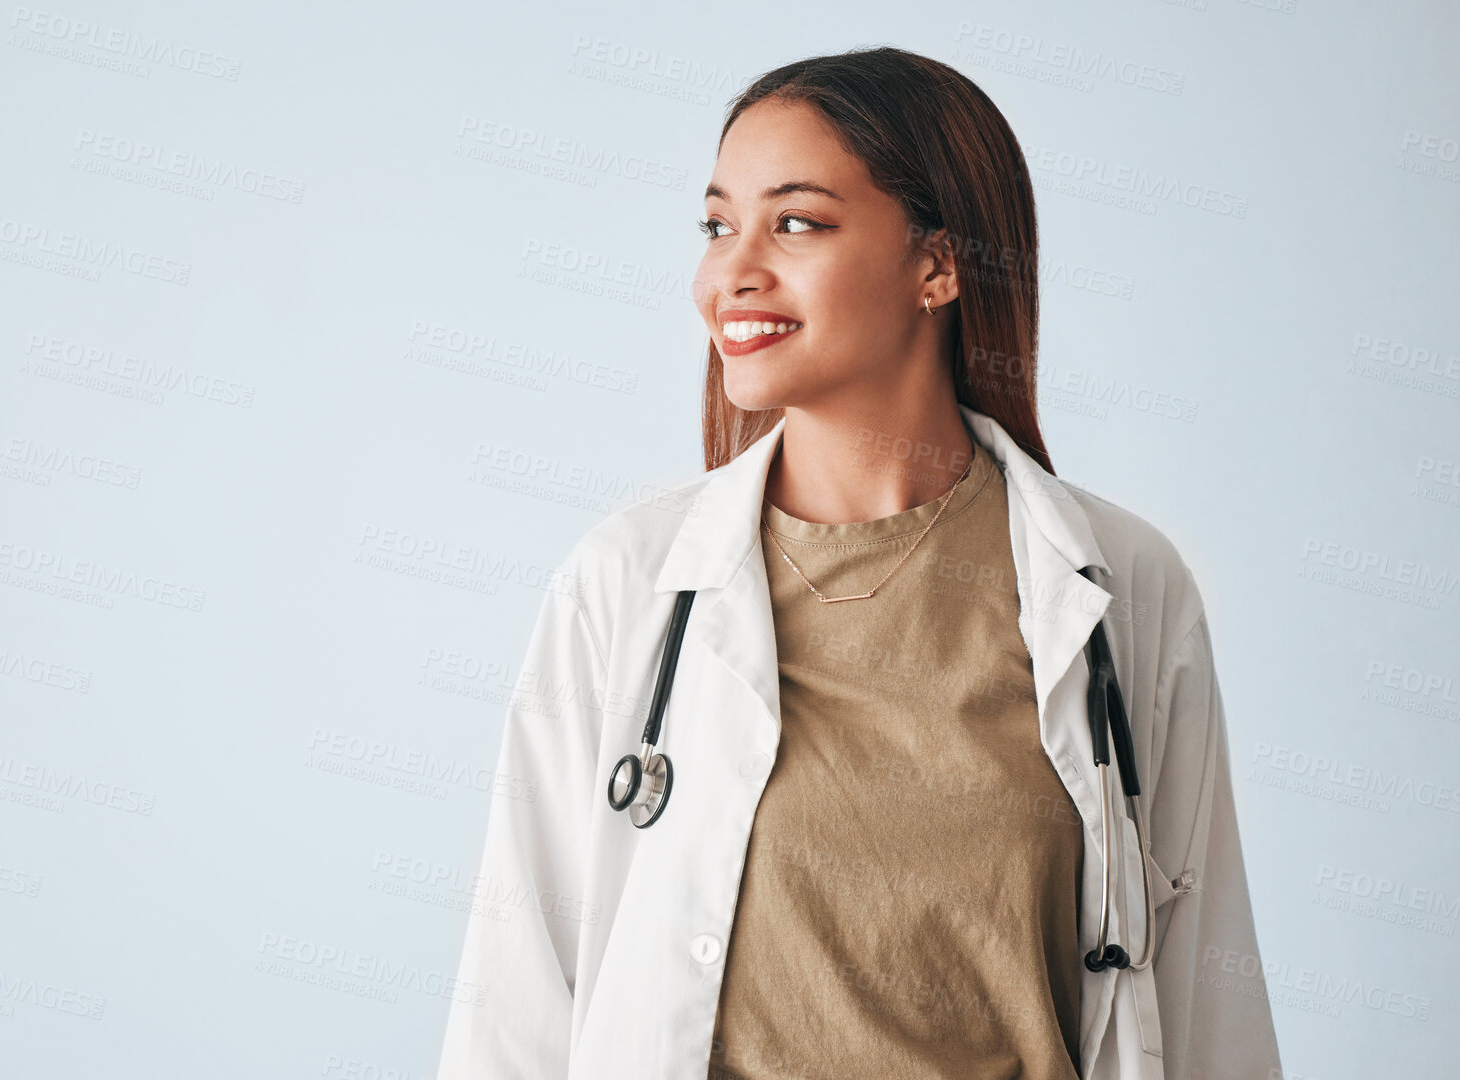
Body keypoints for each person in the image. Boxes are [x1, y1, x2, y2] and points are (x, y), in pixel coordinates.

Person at [435, 47, 1282, 1080]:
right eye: (717, 225)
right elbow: (518, 995)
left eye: (795, 222)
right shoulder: (629, 580)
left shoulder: (1122, 588)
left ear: (939, 264)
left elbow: (1207, 1003)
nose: (730, 272)